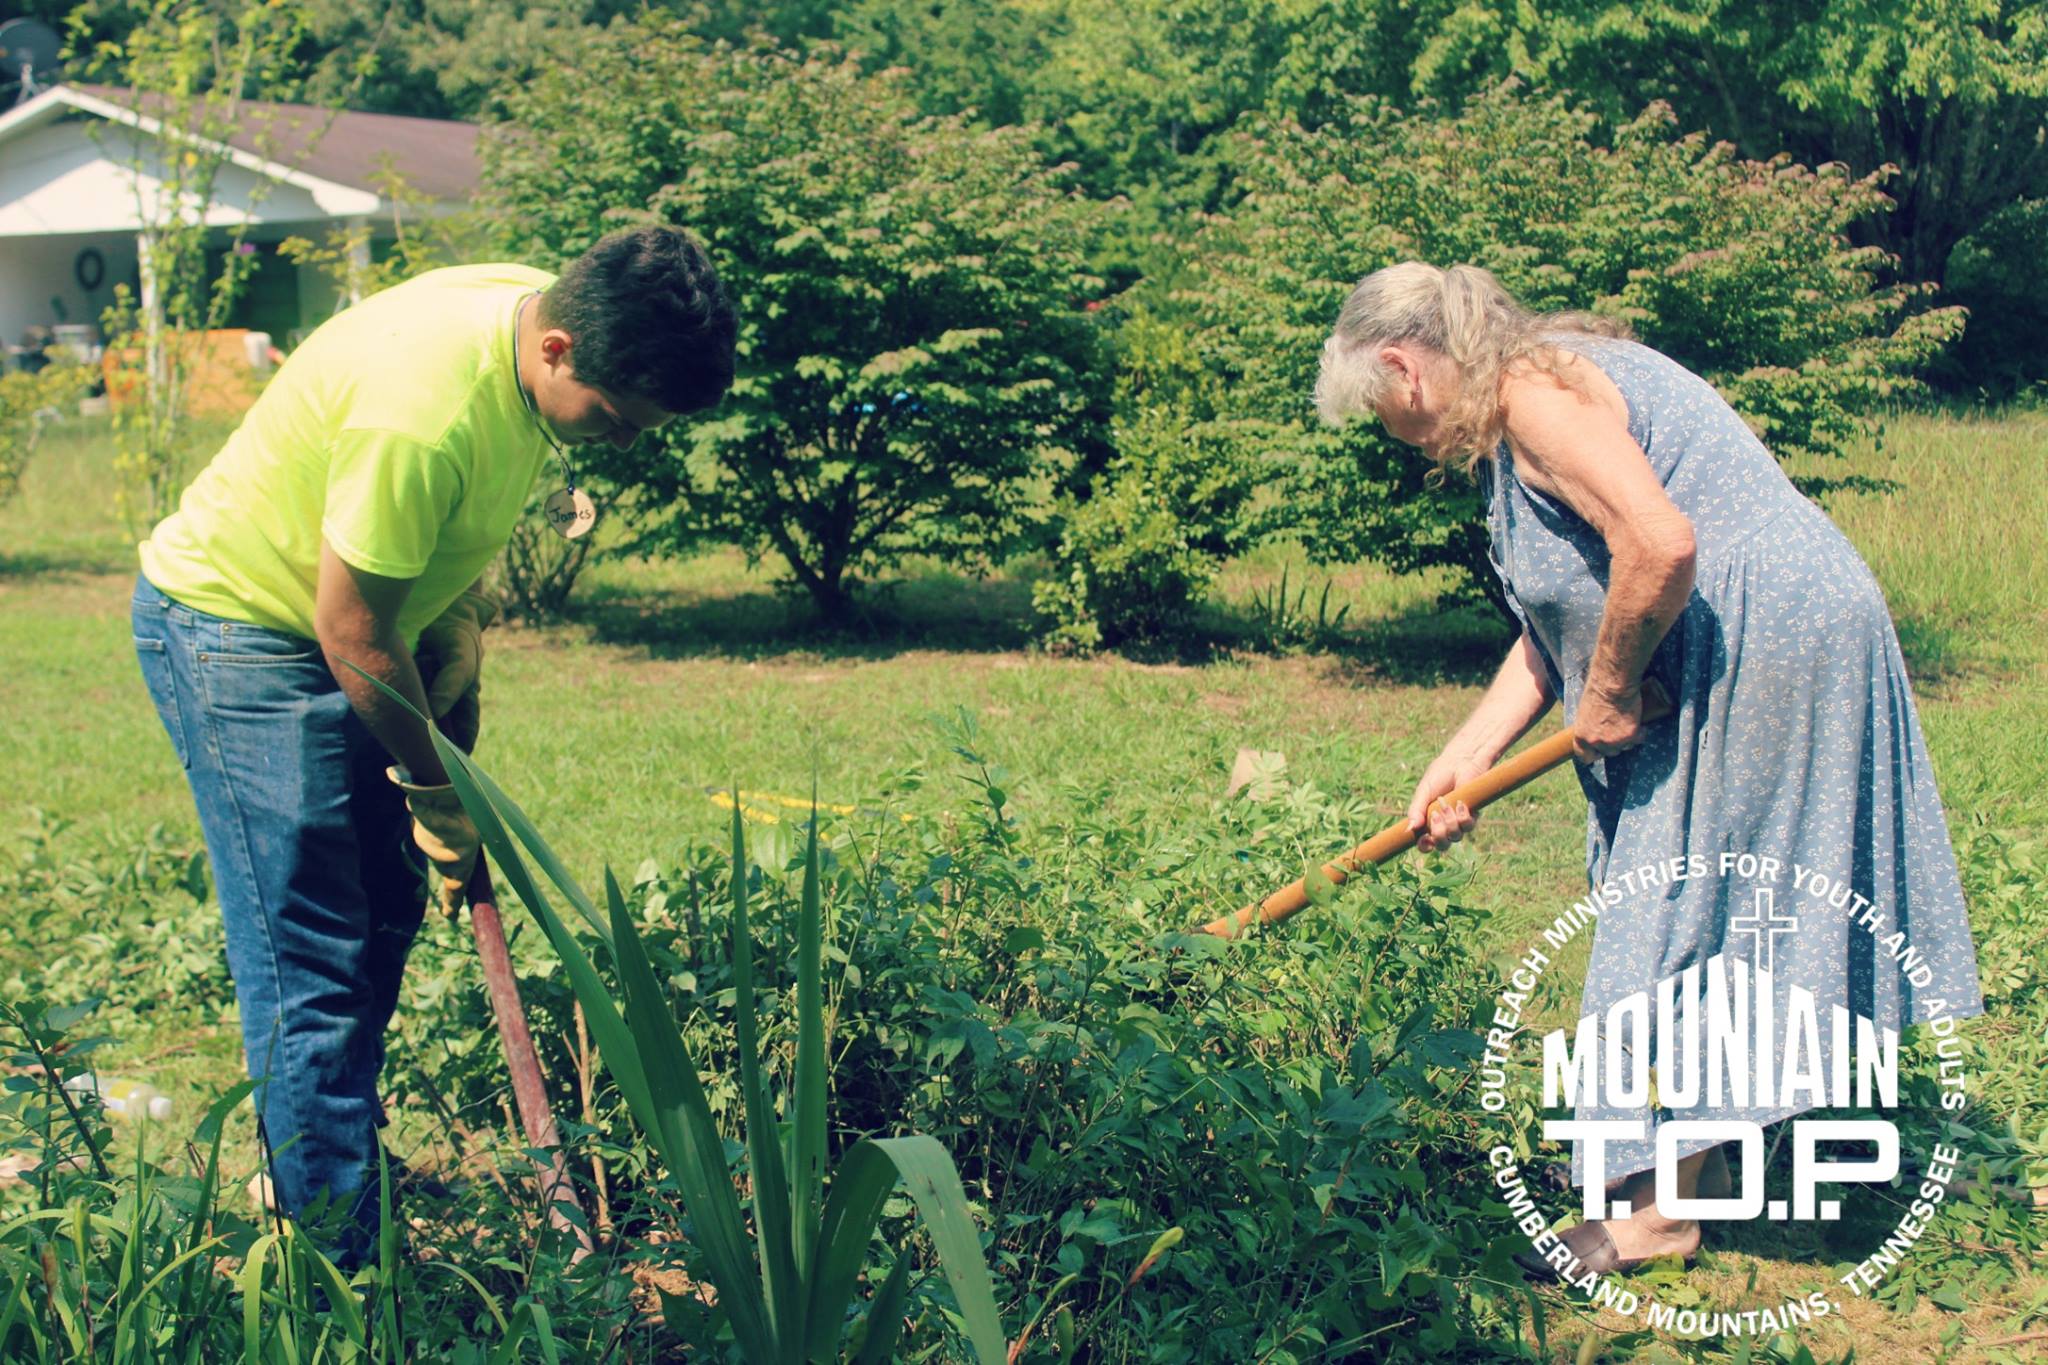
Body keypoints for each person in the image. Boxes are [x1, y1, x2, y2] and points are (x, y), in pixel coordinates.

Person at [1313, 261, 1984, 1275]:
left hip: (1764, 637)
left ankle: (1655, 1214)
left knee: (1666, 908)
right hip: (1760, 630)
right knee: (1688, 903)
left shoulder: (1537, 393)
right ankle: (1686, 1177)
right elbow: (1558, 620)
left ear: (1404, 369)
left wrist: (1612, 690)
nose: (1403, 443)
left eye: (1387, 416)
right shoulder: (1526, 400)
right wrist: (1462, 758)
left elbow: (1660, 546)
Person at [129, 225, 738, 1269]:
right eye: (616, 419)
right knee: (310, 944)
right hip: (243, 635)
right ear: (556, 349)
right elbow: (351, 631)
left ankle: (322, 1157)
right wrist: (434, 788)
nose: (626, 442)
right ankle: (338, 1268)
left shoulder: (529, 305)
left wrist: (458, 622)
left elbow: (409, 577)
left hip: (362, 623)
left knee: (386, 909)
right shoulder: (422, 410)